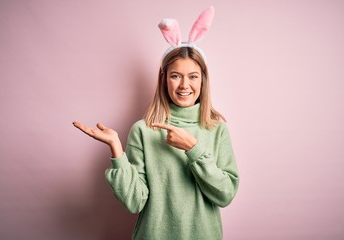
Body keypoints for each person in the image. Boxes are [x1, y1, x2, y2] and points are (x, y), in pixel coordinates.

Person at [73, 6, 239, 240]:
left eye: (193, 76)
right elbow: (135, 202)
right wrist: (117, 150)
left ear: (203, 80)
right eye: (175, 76)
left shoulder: (216, 129)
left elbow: (225, 194)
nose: (184, 85)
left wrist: (194, 148)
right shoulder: (143, 130)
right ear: (164, 79)